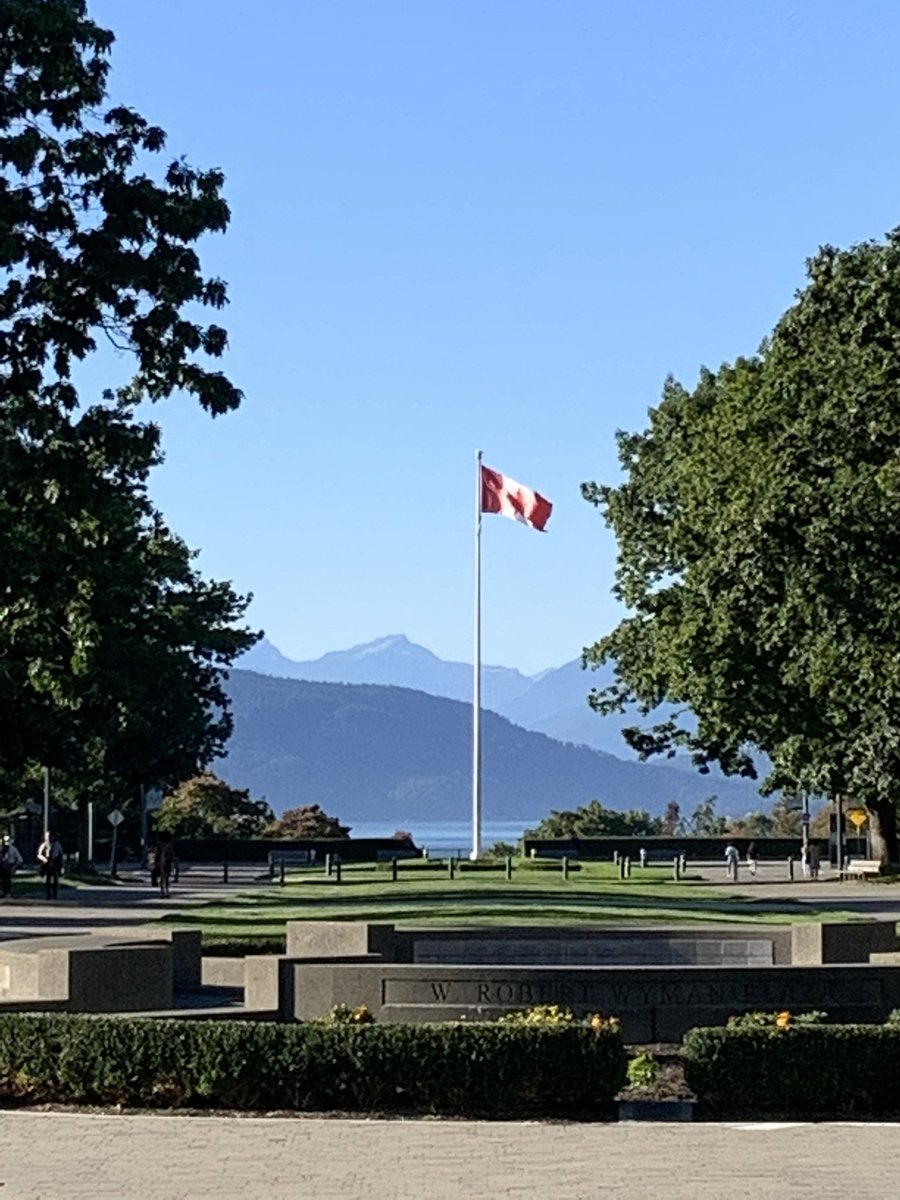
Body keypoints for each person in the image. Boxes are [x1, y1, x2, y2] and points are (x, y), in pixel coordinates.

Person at [36, 830, 64, 900]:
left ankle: (54, 894)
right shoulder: (44, 845)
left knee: (54, 880)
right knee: (48, 880)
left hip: (55, 864)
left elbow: (60, 855)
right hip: (48, 864)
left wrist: (61, 865)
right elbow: (39, 854)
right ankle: (49, 894)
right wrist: (44, 860)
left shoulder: (56, 844)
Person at [0, 835, 23, 899]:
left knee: (7, 880)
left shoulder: (13, 849)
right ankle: (5, 892)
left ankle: (8, 892)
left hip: (10, 867)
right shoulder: (1, 850)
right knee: (3, 880)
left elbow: (20, 860)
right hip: (2, 867)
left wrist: (14, 867)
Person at [153, 831, 175, 898]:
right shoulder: (169, 845)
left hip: (160, 862)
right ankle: (166, 892)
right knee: (166, 877)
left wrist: (156, 862)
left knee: (162, 878)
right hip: (167, 862)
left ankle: (163, 892)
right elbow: (171, 854)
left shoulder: (159, 844)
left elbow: (156, 853)